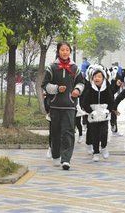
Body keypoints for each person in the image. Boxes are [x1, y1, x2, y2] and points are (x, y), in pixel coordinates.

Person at [42, 42, 85, 171]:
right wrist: (56, 89)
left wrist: (77, 90)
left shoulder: (74, 68)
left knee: (68, 133)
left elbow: (81, 82)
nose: (65, 52)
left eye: (67, 50)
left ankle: (66, 159)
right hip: (55, 106)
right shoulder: (52, 68)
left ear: (70, 52)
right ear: (58, 51)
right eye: (62, 50)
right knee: (55, 133)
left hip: (70, 106)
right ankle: (55, 155)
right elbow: (45, 84)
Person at [81, 65, 116, 162]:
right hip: (93, 117)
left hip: (104, 116)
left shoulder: (107, 89)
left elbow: (112, 101)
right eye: (95, 76)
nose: (97, 78)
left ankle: (104, 148)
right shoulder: (89, 89)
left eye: (99, 76)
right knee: (94, 135)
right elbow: (84, 102)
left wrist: (108, 110)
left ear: (103, 78)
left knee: (104, 133)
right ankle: (96, 152)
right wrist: (91, 112)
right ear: (92, 78)